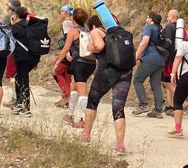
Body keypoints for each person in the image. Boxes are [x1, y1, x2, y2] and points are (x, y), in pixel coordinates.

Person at [79, 19, 132, 155]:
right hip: (125, 73)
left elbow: (99, 46)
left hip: (107, 72)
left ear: (94, 25)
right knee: (118, 108)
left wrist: (89, 46)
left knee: (92, 102)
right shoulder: (122, 34)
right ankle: (120, 146)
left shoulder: (96, 31)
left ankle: (86, 135)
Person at [132, 10, 166, 118]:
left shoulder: (149, 27)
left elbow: (145, 41)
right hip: (160, 60)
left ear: (151, 19)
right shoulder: (159, 29)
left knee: (137, 79)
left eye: (147, 17)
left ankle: (143, 105)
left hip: (150, 59)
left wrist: (136, 55)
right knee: (156, 85)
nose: (146, 19)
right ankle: (158, 110)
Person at [66, 10, 97, 126]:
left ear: (73, 19)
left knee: (82, 92)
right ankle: (69, 114)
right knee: (74, 86)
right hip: (91, 62)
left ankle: (85, 119)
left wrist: (57, 62)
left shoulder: (73, 31)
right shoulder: (88, 31)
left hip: (80, 63)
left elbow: (66, 48)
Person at [8, 6, 39, 117]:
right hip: (34, 57)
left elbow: (8, 40)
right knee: (19, 77)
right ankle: (20, 103)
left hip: (22, 57)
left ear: (16, 16)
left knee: (23, 79)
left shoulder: (15, 27)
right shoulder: (32, 26)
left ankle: (26, 108)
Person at [52, 5, 78, 107]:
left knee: (56, 71)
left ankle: (67, 96)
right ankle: (67, 99)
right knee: (67, 75)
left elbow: (68, 38)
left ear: (66, 12)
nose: (60, 13)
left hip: (68, 53)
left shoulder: (66, 23)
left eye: (61, 11)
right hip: (75, 53)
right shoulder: (74, 22)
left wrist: (66, 53)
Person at [160, 9, 180, 113]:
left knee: (166, 82)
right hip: (178, 58)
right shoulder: (181, 28)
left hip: (170, 59)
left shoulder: (169, 27)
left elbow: (167, 44)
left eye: (168, 16)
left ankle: (178, 102)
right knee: (170, 82)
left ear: (172, 17)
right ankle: (170, 105)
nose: (167, 18)